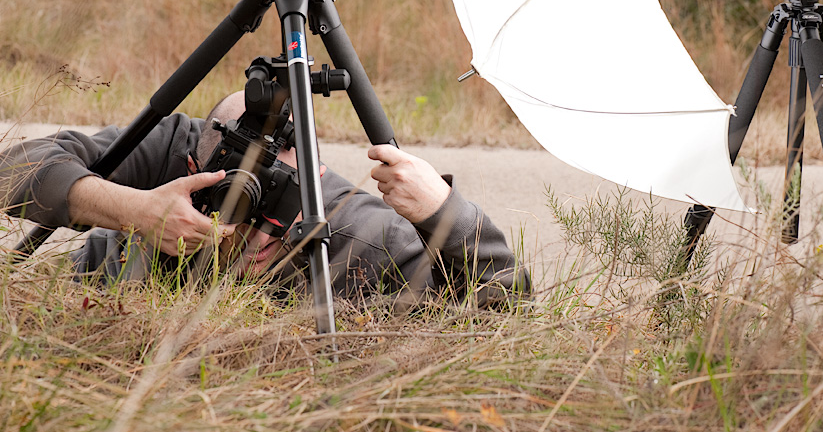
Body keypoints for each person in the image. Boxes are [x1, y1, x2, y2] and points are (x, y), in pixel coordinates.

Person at [0, 92, 531, 308]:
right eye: (228, 200)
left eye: (272, 213)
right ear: (195, 163)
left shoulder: (359, 233)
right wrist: (135, 210)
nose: (244, 234)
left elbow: (507, 306)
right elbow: (12, 171)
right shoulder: (171, 147)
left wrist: (446, 212)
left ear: (314, 183)